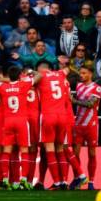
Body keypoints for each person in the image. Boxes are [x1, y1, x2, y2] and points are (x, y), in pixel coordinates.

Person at [0, 66, 41, 190]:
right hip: (21, 121)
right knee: (24, 151)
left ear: (8, 76)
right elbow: (39, 76)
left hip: (8, 121)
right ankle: (23, 179)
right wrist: (31, 72)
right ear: (19, 76)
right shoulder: (24, 84)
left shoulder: (3, 87)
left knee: (7, 150)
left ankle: (5, 179)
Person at [36, 60, 69, 190]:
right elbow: (67, 69)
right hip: (62, 116)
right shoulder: (60, 74)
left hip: (48, 115)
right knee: (60, 149)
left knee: (49, 149)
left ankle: (56, 183)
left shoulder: (40, 76)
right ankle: (64, 181)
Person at [72, 65, 101, 190]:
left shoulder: (97, 88)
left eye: (84, 73)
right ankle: (78, 178)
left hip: (91, 125)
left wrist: (73, 101)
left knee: (92, 153)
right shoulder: (78, 86)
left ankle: (91, 182)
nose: (81, 75)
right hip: (78, 124)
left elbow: (90, 104)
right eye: (80, 73)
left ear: (90, 74)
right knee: (75, 153)